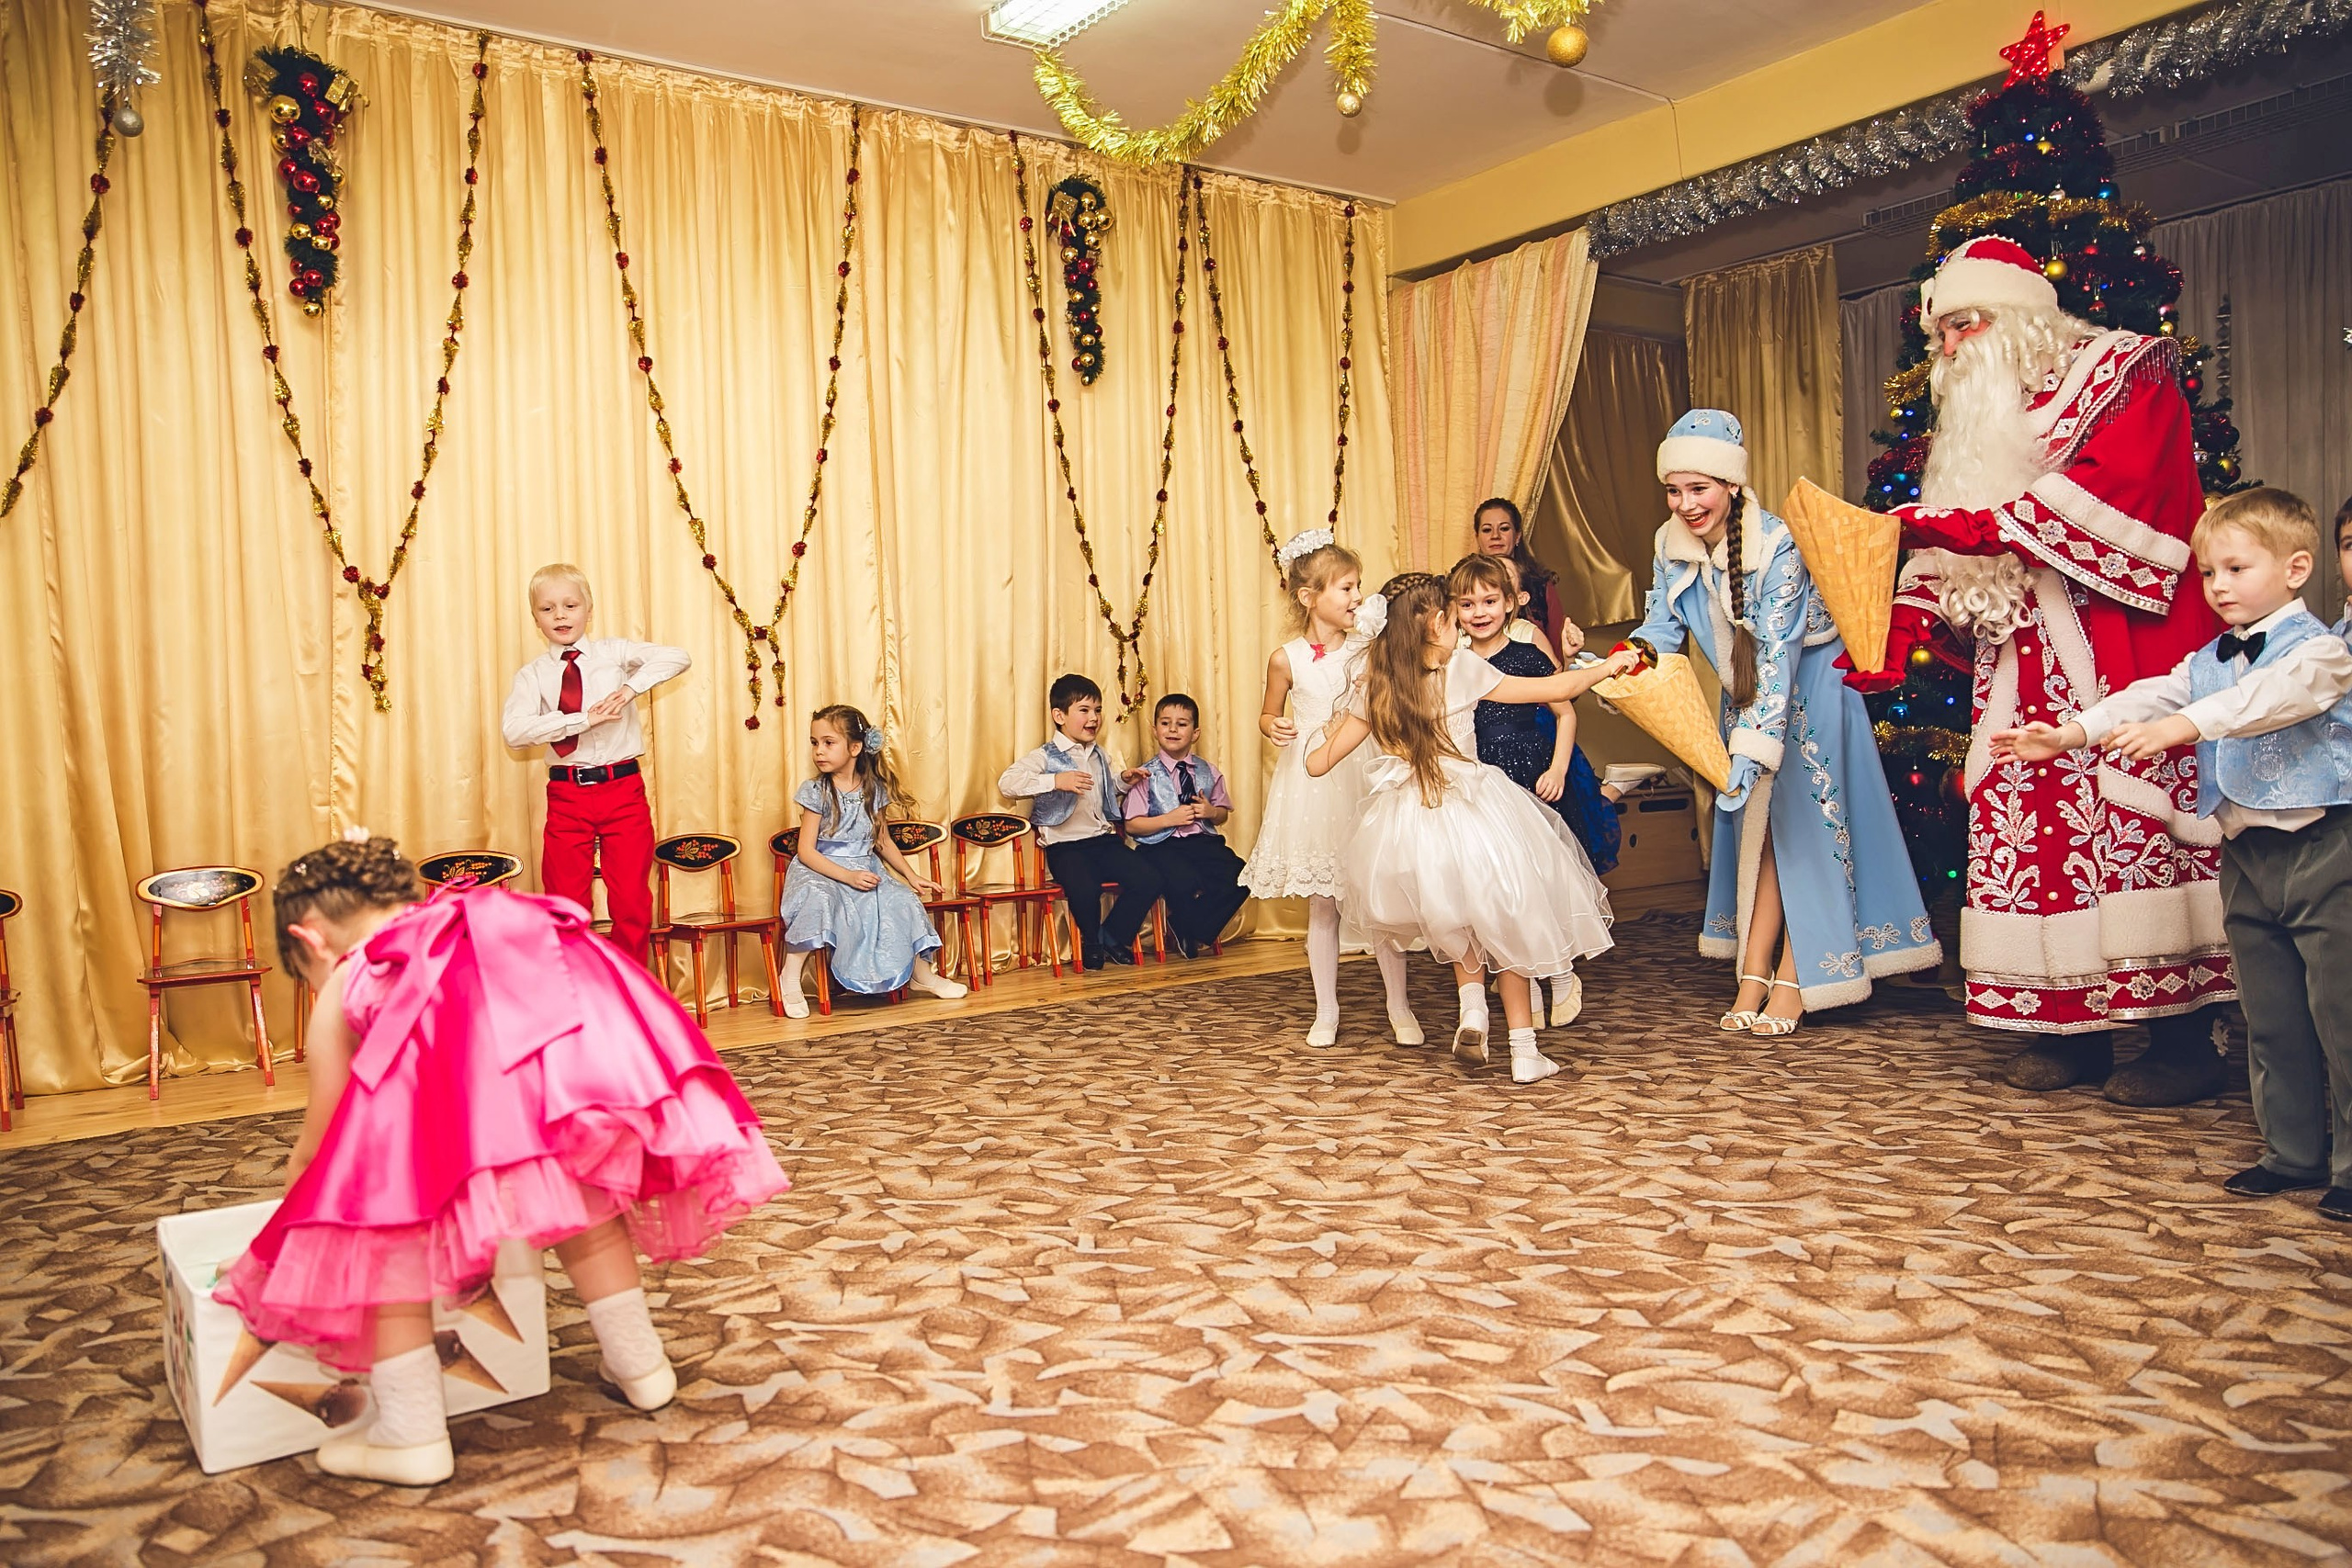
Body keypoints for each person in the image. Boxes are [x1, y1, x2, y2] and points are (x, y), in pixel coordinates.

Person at [216, 831, 787, 1485]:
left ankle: (411, 1434)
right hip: (571, 1057)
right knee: (580, 1193)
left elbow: (321, 1146)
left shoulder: (355, 971)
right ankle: (642, 1366)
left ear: (310, 940)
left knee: (383, 1227)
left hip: (480, 1092)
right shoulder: (486, 923)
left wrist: (296, 1230)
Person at [1855, 234, 2233, 1104]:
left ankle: (2182, 1040)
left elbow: (2127, 496)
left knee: (2135, 833)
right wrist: (1893, 640)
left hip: (2120, 657)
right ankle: (2070, 1028)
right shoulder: (1979, 416)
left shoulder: (2127, 372)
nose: (1950, 348)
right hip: (2023, 668)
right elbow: (1958, 544)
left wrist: (1976, 529)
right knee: (2040, 840)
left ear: (2025, 315)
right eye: (1939, 333)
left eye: (1966, 324)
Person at [1994, 489, 2352, 1222]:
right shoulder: (2211, 656)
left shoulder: (2323, 650)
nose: (2217, 586)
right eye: (2208, 573)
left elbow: (2267, 698)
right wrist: (2071, 733)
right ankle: (2291, 1152)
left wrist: (2187, 726)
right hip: (2246, 854)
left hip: (2322, 849)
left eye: (2235, 568)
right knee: (2272, 1013)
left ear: (2296, 569)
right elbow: (2149, 695)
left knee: (2340, 1015)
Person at [1627, 411, 1941, 1036]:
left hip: (1812, 692)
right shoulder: (1671, 547)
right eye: (1674, 489)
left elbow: (1777, 655)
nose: (1685, 504)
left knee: (1805, 832)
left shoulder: (1779, 545)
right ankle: (1752, 971)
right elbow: (1660, 631)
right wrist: (1617, 662)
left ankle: (1801, 974)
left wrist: (1751, 748)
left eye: (1699, 488)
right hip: (1747, 697)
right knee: (1761, 836)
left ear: (1732, 486)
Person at [1307, 574, 1634, 1085]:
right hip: (1475, 807)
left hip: (1407, 823)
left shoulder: (1377, 684)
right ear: (1437, 623)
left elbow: (1317, 764)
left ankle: (1473, 1012)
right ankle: (1525, 1052)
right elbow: (1557, 688)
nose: (1463, 622)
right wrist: (1609, 666)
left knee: (1457, 919)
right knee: (1507, 917)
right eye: (1454, 614)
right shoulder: (1460, 667)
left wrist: (1324, 728)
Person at [1239, 530, 1420, 1048]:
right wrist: (1270, 725)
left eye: (1357, 586)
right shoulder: (1287, 657)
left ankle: (1398, 1005)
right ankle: (1326, 1009)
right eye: (1345, 587)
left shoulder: (1370, 649)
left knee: (1380, 894)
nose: (1355, 597)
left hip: (1362, 768)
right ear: (1309, 597)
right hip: (1312, 782)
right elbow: (1269, 711)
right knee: (1324, 903)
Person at [1451, 554, 1620, 1033]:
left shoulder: (1526, 656)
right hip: (1483, 786)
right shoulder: (1454, 663)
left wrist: (1559, 769)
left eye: (1489, 601)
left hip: (1530, 778)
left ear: (1510, 604)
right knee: (1497, 889)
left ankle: (1562, 974)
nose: (1479, 611)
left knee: (1538, 884)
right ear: (1454, 611)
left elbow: (1565, 712)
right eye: (1467, 603)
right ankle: (1528, 987)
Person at [500, 564, 690, 968]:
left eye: (570, 605)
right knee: (566, 903)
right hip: (567, 794)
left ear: (589, 609)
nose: (561, 616)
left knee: (632, 901)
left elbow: (678, 657)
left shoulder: (614, 654)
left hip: (623, 791)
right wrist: (580, 720)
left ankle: (630, 988)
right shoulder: (533, 675)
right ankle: (579, 988)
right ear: (535, 619)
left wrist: (628, 689)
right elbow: (514, 732)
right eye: (548, 609)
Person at [778, 704, 969, 1014]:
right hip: (820, 870)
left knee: (902, 900)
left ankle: (923, 976)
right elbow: (806, 851)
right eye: (815, 743)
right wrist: (847, 876)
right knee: (819, 899)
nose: (819, 751)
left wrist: (910, 875)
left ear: (855, 748)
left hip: (864, 868)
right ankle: (790, 978)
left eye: (828, 743)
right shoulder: (816, 791)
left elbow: (882, 840)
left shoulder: (873, 789)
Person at [998, 673, 1163, 969]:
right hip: (1066, 846)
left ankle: (1112, 936)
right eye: (1084, 710)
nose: (1094, 718)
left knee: (1149, 878)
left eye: (1097, 710)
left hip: (1103, 841)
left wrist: (1124, 781)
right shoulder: (1045, 756)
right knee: (1085, 888)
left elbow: (1105, 791)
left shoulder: (1100, 755)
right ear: (1059, 715)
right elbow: (1007, 783)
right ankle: (1092, 942)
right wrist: (1055, 780)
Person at [1122, 693, 1250, 958]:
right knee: (1183, 881)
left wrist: (1211, 811)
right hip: (1160, 845)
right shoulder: (1145, 774)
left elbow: (1222, 814)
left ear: (1195, 733)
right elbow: (1132, 826)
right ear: (1154, 729)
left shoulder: (1208, 771)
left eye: (1182, 724)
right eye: (1165, 723)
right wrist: (1170, 819)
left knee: (1242, 877)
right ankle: (1189, 931)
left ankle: (1184, 926)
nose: (1172, 730)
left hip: (1202, 841)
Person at [1472, 497, 1581, 660]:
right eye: (1487, 530)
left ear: (1517, 536)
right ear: (1477, 538)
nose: (1495, 536)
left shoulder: (1540, 584)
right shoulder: (1463, 584)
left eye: (1504, 529)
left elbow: (1558, 649)